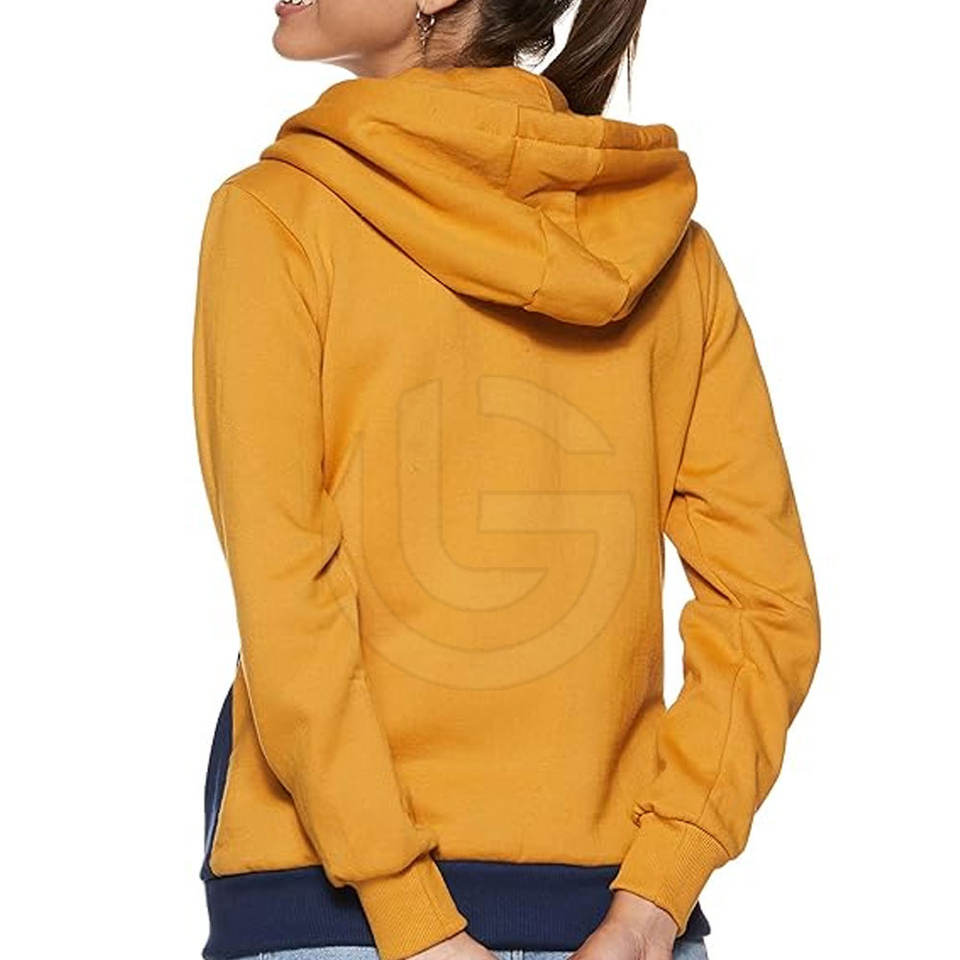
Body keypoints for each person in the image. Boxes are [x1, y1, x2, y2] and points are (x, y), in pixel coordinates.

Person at [190, 2, 821, 960]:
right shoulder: (665, 250)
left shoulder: (277, 217)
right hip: (611, 918)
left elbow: (286, 592)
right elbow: (766, 606)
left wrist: (407, 909)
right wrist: (653, 903)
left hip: (333, 908)